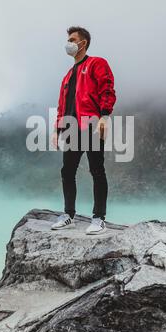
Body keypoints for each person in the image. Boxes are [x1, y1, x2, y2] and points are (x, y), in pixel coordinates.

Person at [51, 26, 116, 235]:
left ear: (83, 43)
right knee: (67, 171)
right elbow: (62, 105)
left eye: (72, 39)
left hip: (92, 124)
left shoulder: (97, 63)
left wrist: (105, 116)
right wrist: (56, 130)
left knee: (97, 170)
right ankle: (68, 214)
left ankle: (98, 218)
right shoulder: (67, 76)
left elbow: (107, 88)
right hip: (71, 128)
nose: (68, 43)